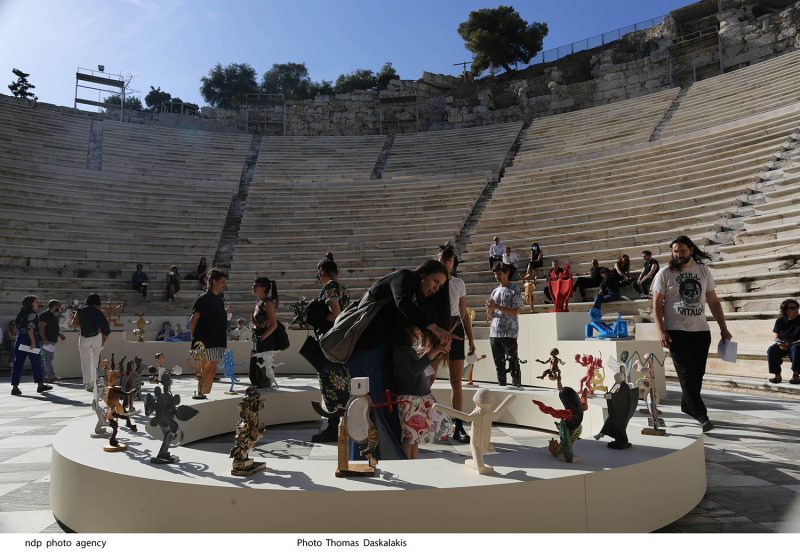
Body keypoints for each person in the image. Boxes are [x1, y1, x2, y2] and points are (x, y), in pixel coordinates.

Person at [345, 260, 456, 460]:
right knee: (365, 408)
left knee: (385, 408)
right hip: (366, 349)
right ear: (423, 274)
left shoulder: (416, 297)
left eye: (440, 287)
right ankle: (358, 462)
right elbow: (402, 303)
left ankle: (388, 459)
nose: (436, 289)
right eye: (435, 281)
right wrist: (435, 328)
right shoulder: (403, 277)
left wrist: (438, 343)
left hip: (381, 352)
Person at [652, 236, 732, 433]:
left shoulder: (703, 271)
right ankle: (701, 415)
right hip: (676, 331)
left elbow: (713, 301)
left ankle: (687, 405)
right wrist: (661, 330)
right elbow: (656, 304)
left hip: (701, 330)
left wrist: (723, 327)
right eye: (676, 251)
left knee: (697, 374)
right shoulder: (665, 273)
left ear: (691, 250)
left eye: (683, 251)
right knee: (686, 373)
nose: (679, 255)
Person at [308, 253, 352, 442]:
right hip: (342, 343)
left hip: (330, 343)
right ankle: (344, 423)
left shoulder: (330, 288)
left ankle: (335, 427)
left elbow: (336, 314)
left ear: (322, 272)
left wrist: (319, 319)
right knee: (342, 380)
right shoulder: (343, 288)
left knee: (330, 383)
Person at [393, 322, 453, 459]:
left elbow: (417, 366)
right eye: (417, 329)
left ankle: (413, 463)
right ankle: (408, 465)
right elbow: (416, 368)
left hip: (414, 397)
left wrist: (434, 351)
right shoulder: (402, 350)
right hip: (410, 399)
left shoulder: (405, 350)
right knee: (409, 437)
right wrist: (435, 351)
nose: (420, 333)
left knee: (414, 438)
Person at [438, 244, 475, 443]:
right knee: (427, 378)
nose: (446, 263)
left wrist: (471, 339)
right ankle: (424, 420)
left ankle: (458, 425)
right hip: (437, 329)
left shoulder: (459, 283)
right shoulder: (433, 282)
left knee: (456, 382)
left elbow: (464, 313)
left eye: (449, 260)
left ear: (453, 262)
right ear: (438, 260)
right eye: (443, 259)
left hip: (456, 328)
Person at [190, 267, 229, 397]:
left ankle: (204, 395)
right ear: (214, 282)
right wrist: (193, 337)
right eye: (223, 282)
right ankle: (201, 394)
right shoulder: (204, 298)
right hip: (204, 342)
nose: (225, 285)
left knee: (212, 371)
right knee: (204, 370)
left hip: (217, 341)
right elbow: (194, 319)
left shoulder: (219, 300)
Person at [487, 263, 523, 387]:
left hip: (509, 332)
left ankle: (517, 388)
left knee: (513, 362)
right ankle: (501, 387)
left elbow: (515, 311)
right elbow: (490, 316)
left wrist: (496, 306)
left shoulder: (515, 290)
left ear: (507, 273)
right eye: (495, 274)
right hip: (494, 332)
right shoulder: (494, 291)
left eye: (499, 274)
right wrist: (490, 309)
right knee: (499, 364)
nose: (497, 276)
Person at [10, 296, 51, 396]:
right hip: (29, 338)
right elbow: (30, 328)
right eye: (36, 301)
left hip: (20, 338)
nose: (38, 302)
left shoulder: (21, 312)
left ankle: (15, 387)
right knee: (36, 362)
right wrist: (32, 341)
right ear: (32, 303)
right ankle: (40, 385)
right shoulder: (32, 314)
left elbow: (17, 327)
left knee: (18, 363)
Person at [70, 293, 111, 391]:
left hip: (84, 337)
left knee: (85, 360)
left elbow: (73, 324)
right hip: (98, 336)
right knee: (95, 359)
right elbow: (106, 327)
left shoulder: (80, 311)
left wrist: (83, 323)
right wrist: (103, 341)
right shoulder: (102, 312)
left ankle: (88, 383)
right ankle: (94, 381)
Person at [250, 276, 279, 387]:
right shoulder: (259, 302)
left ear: (264, 288)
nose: (253, 287)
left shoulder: (268, 303)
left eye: (256, 285)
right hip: (258, 339)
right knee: (254, 370)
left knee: (261, 373)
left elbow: (274, 324)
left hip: (265, 341)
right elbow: (263, 323)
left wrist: (262, 338)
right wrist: (256, 323)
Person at [767, 299, 800, 384]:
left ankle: (796, 375)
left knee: (795, 349)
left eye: (797, 307)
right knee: (771, 350)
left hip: (797, 344)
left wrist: (795, 342)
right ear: (786, 310)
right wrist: (780, 343)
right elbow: (777, 337)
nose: (796, 309)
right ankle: (777, 375)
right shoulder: (780, 321)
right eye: (793, 308)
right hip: (784, 343)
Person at [38, 299, 66, 383]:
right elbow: (41, 327)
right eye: (58, 306)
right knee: (47, 358)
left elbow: (52, 328)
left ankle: (48, 376)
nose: (59, 308)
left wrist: (59, 334)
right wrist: (44, 339)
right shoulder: (45, 315)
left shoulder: (52, 315)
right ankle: (50, 376)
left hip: (51, 340)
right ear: (54, 306)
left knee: (49, 358)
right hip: (47, 340)